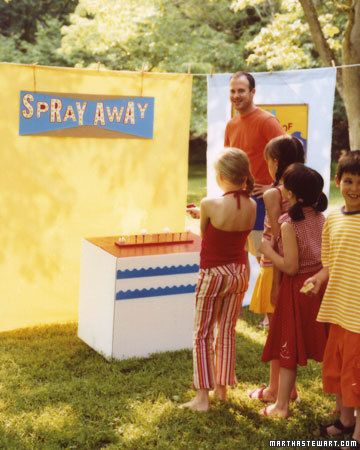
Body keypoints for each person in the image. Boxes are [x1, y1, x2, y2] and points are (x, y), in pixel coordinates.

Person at [181, 148, 256, 412]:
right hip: (238, 273)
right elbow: (231, 231)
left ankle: (202, 398)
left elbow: (206, 235)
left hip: (213, 273)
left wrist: (201, 215)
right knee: (226, 331)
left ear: (221, 175)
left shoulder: (209, 204)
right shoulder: (252, 204)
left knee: (201, 334)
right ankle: (222, 389)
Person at [257, 163, 329, 418]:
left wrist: (268, 251)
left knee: (288, 346)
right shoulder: (320, 218)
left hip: (297, 287)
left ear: (291, 194)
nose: (281, 188)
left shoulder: (288, 224)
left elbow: (290, 266)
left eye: (284, 185)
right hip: (319, 284)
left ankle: (281, 406)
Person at [302, 150, 360, 449]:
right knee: (338, 370)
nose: (355, 188)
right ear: (338, 182)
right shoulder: (333, 218)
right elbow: (328, 263)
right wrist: (317, 279)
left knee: (357, 375)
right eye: (349, 181)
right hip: (338, 309)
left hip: (359, 317)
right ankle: (345, 420)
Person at [248, 135, 305, 403]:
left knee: (276, 334)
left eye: (268, 160)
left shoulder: (274, 194)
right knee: (284, 331)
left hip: (276, 269)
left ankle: (275, 391)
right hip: (298, 267)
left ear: (276, 162)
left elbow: (278, 239)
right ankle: (285, 388)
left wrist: (275, 283)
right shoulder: (304, 190)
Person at [224, 71, 285, 259]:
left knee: (262, 256)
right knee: (242, 258)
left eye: (241, 91)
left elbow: (290, 157)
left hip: (262, 202)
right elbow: (229, 163)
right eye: (232, 91)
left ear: (253, 92)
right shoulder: (231, 125)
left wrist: (274, 186)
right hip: (237, 200)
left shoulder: (267, 121)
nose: (236, 96)